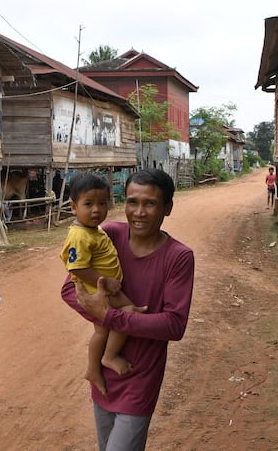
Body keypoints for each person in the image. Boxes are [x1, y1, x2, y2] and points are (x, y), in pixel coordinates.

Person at [61, 168, 194, 451]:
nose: (139, 212)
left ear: (167, 208)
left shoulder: (179, 257)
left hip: (139, 376)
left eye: (150, 203)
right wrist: (106, 315)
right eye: (132, 202)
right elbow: (71, 289)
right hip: (102, 373)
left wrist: (111, 316)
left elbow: (174, 325)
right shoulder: (108, 235)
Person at [60, 172, 135, 396]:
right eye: (88, 204)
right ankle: (107, 358)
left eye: (102, 203)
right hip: (98, 292)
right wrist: (104, 281)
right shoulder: (79, 236)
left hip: (106, 289)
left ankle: (95, 369)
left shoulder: (92, 230)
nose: (96, 210)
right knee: (117, 321)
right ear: (74, 207)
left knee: (108, 326)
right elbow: (77, 268)